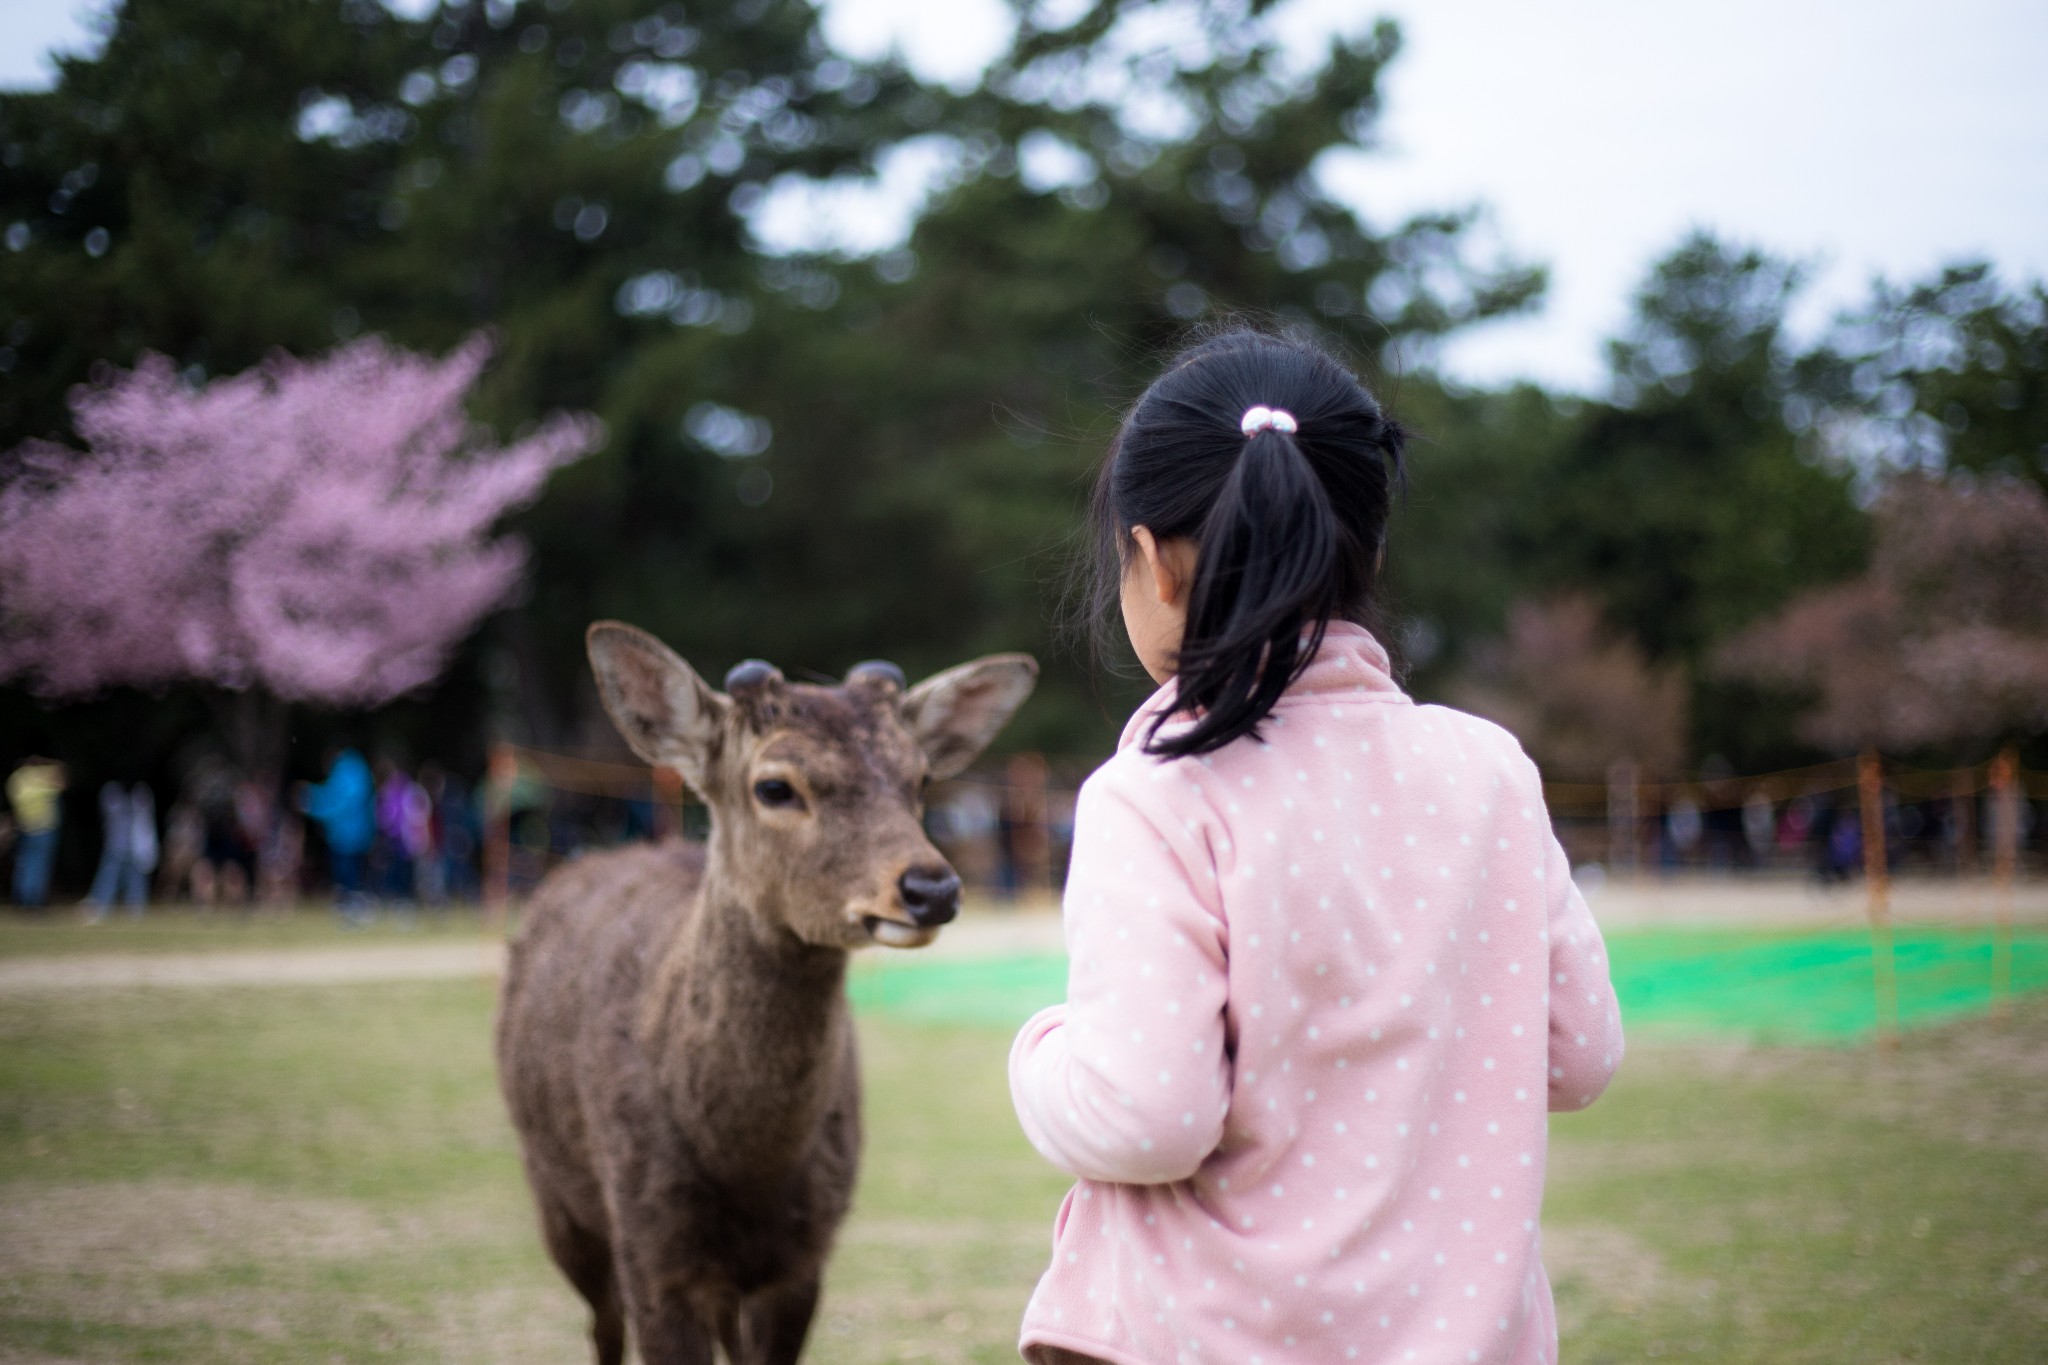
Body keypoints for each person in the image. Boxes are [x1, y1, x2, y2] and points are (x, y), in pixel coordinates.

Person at [1006, 331, 1624, 1365]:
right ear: (1367, 552)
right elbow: (1579, 1053)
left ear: (1150, 560)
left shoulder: (1157, 793)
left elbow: (1147, 1112)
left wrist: (1039, 1056)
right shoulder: (1487, 773)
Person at [300, 747, 374, 921]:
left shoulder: (342, 772)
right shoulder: (360, 770)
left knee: (346, 876)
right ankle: (356, 908)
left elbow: (335, 802)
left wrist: (311, 802)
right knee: (356, 876)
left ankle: (352, 909)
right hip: (361, 834)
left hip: (343, 836)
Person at [7, 756, 66, 907]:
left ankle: (22, 899)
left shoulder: (15, 780)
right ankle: (34, 901)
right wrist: (48, 762)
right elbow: (61, 782)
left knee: (25, 864)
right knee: (39, 866)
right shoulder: (38, 778)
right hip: (43, 828)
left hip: (25, 828)